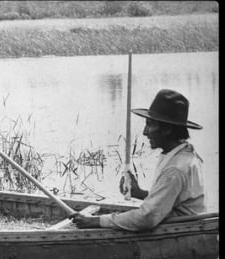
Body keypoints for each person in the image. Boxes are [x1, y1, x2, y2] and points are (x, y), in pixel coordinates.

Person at [70, 89, 205, 232]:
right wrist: (139, 193)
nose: (145, 132)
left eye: (150, 124)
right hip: (185, 226)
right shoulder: (184, 153)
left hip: (182, 231)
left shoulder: (175, 169)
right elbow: (172, 201)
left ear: (167, 129)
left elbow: (147, 218)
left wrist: (96, 221)